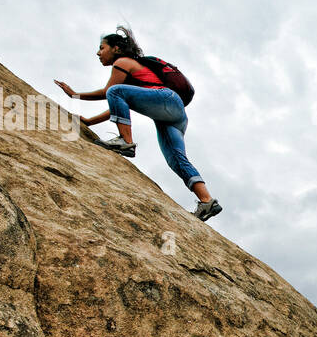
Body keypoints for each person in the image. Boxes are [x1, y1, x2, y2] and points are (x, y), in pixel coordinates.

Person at [55, 26, 222, 221]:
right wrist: (90, 122)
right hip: (175, 114)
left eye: (102, 48)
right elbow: (117, 106)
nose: (98, 53)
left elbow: (109, 91)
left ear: (116, 48)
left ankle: (126, 142)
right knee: (176, 158)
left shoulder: (124, 62)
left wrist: (75, 95)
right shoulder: (135, 80)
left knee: (115, 91)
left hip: (167, 100)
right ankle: (206, 201)